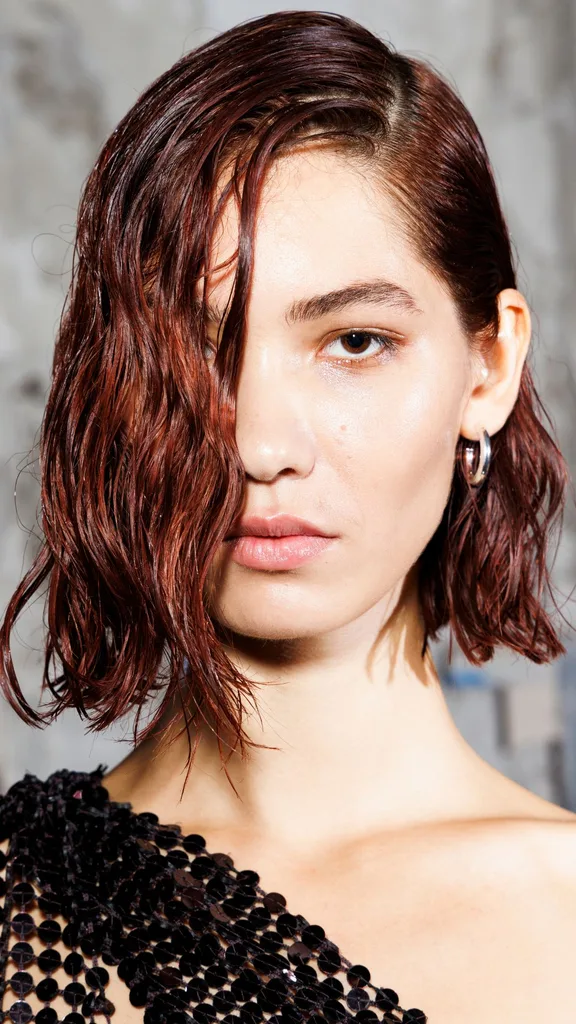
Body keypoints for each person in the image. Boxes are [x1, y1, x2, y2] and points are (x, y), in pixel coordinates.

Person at [0, 9, 575, 1024]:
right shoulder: (18, 905)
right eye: (197, 350)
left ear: (490, 364)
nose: (262, 445)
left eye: (356, 340)